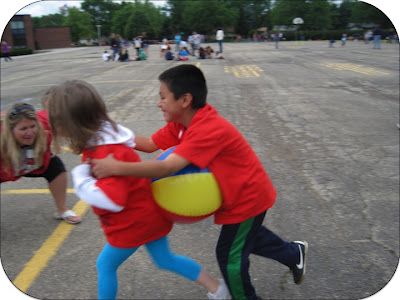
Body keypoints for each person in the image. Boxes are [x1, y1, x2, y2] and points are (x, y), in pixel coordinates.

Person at [91, 64, 309, 300]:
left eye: (163, 97)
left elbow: (167, 167)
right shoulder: (182, 123)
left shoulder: (207, 128)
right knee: (247, 239)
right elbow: (151, 144)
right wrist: (110, 133)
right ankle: (292, 253)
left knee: (229, 256)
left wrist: (117, 167)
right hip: (238, 195)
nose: (158, 102)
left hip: (247, 199)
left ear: (184, 100)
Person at [46, 80, 229, 300]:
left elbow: (113, 199)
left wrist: (82, 180)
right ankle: (216, 288)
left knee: (105, 265)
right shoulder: (104, 140)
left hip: (133, 224)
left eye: (56, 122)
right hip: (147, 216)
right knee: (165, 259)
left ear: (72, 123)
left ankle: (216, 288)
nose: (53, 127)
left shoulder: (106, 151)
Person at [0, 102, 81, 224]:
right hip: (6, 169)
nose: (30, 132)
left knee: (56, 167)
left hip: (33, 163)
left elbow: (63, 112)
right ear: (10, 130)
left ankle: (62, 210)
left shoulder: (45, 123)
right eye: (23, 129)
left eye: (32, 126)